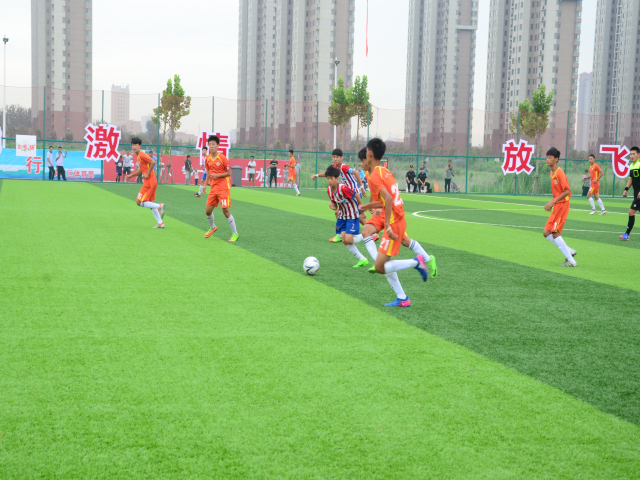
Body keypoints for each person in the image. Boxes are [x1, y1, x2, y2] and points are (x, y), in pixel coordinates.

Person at [360, 138, 431, 307]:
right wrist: (368, 206)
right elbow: (385, 201)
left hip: (394, 221)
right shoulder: (385, 171)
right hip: (399, 218)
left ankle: (417, 262)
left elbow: (389, 199)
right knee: (383, 263)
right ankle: (402, 298)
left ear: (370, 153)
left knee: (380, 267)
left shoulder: (375, 175)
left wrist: (387, 226)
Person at [311, 148, 367, 242]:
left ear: (341, 158)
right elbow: (328, 174)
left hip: (353, 194)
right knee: (342, 213)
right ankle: (341, 234)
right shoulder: (335, 167)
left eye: (337, 157)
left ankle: (370, 233)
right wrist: (316, 175)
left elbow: (356, 173)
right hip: (347, 194)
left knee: (355, 215)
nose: (335, 159)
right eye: (333, 157)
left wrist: (361, 187)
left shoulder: (344, 167)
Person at [325, 166, 369, 268]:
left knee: (348, 240)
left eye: (331, 178)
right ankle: (363, 259)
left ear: (337, 178)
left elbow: (356, 195)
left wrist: (362, 210)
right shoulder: (329, 190)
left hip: (352, 215)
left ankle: (367, 234)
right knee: (344, 240)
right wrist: (332, 206)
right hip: (342, 216)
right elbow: (335, 205)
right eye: (328, 178)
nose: (329, 181)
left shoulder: (343, 188)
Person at [543, 147, 577, 266]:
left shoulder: (559, 173)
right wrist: (552, 203)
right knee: (546, 232)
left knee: (555, 233)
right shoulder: (551, 173)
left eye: (550, 157)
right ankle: (569, 251)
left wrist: (552, 202)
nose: (547, 159)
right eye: (547, 157)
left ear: (556, 159)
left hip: (562, 205)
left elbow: (567, 191)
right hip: (557, 205)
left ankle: (572, 261)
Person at [204, 135, 239, 242]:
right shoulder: (208, 158)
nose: (211, 146)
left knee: (226, 212)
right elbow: (209, 171)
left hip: (223, 188)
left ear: (217, 145)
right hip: (213, 189)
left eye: (213, 144)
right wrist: (205, 184)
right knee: (208, 211)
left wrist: (217, 175)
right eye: (210, 144)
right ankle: (213, 227)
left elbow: (229, 172)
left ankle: (235, 234)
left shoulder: (222, 158)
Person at [126, 137, 165, 229]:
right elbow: (141, 170)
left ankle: (159, 206)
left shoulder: (142, 155)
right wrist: (131, 175)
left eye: (136, 145)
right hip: (152, 181)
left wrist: (147, 173)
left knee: (138, 202)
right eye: (133, 145)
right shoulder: (139, 156)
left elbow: (153, 162)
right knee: (150, 203)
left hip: (149, 181)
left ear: (140, 146)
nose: (134, 147)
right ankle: (160, 223)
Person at [620, 146, 640, 240]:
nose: (632, 156)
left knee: (631, 211)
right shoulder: (631, 166)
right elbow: (631, 179)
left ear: (638, 154)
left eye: (634, 154)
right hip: (636, 193)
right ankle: (627, 234)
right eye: (630, 154)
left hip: (639, 194)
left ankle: (627, 234)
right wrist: (626, 189)